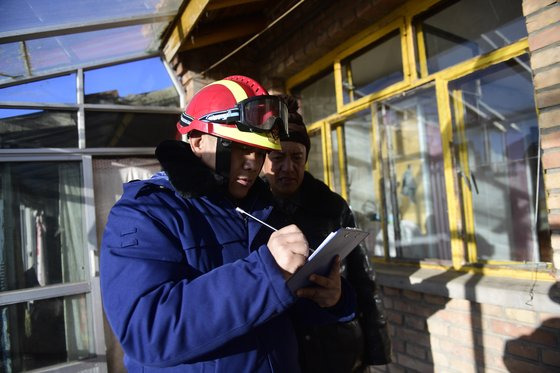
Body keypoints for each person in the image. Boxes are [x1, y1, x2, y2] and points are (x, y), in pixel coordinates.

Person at [99, 75, 357, 372]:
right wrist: (265, 273)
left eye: (260, 151)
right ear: (197, 140)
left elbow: (276, 310)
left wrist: (331, 298)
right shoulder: (145, 212)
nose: (252, 161)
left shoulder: (260, 208)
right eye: (239, 147)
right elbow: (147, 332)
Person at [262, 94, 392, 373]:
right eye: (277, 157)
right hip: (275, 352)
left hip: (334, 349)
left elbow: (363, 279)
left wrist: (376, 351)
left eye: (297, 157)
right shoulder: (249, 208)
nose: (288, 167)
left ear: (306, 157)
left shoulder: (331, 206)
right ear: (263, 160)